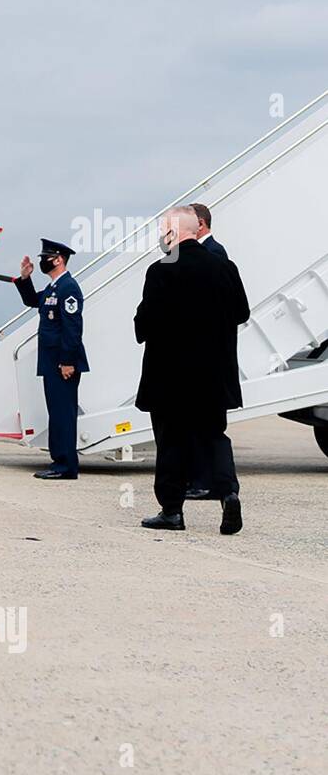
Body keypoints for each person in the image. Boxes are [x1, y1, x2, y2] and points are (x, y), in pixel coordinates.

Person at [134, 206, 249, 534]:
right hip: (213, 376)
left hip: (170, 377)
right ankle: (228, 493)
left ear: (172, 233)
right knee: (214, 437)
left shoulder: (161, 271)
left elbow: (144, 325)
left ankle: (172, 511)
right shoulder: (225, 267)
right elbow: (241, 312)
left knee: (171, 442)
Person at [14, 239, 89, 479]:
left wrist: (68, 361)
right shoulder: (54, 288)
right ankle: (59, 462)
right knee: (56, 413)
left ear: (58, 259)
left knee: (63, 414)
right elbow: (32, 301)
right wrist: (25, 279)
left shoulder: (68, 287)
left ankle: (66, 466)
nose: (42, 261)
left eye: (46, 257)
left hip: (62, 362)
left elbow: (73, 327)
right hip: (51, 360)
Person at [185, 201, 235, 500]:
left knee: (205, 426)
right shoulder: (212, 254)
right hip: (210, 358)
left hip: (207, 359)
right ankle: (219, 486)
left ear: (200, 224)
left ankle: (206, 483)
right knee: (207, 426)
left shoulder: (212, 255)